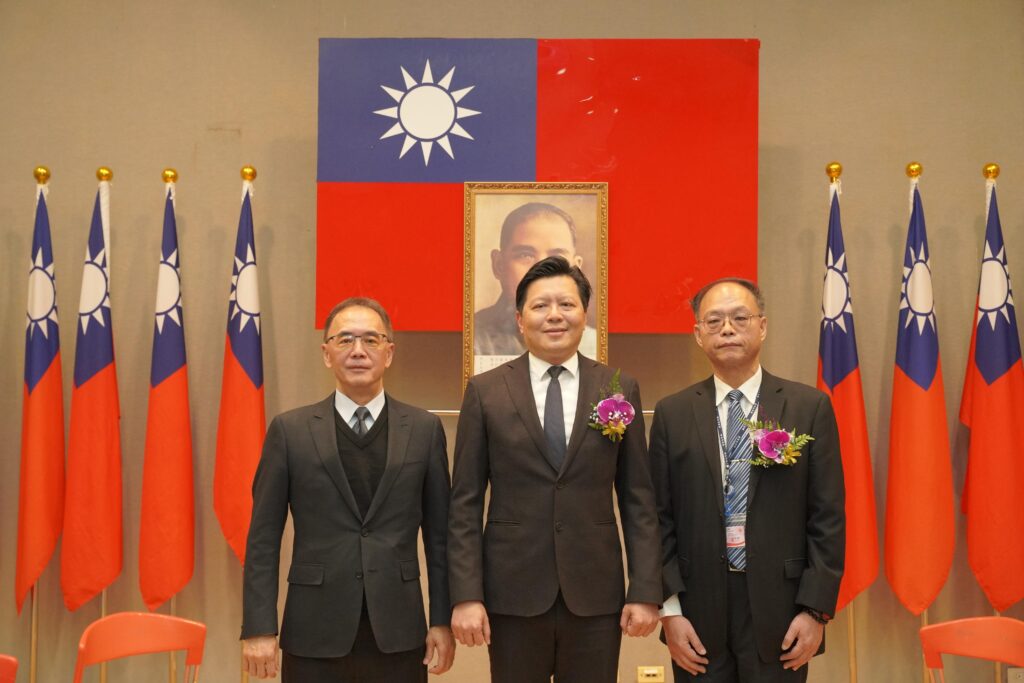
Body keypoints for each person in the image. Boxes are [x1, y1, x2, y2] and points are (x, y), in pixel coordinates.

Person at [449, 256, 662, 683]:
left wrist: (644, 590)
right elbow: (465, 504)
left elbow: (638, 499)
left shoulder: (619, 387)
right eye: (540, 305)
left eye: (566, 304)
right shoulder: (486, 391)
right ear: (519, 319)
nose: (554, 315)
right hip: (512, 592)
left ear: (585, 314)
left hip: (595, 592)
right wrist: (467, 595)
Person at [241, 297, 455, 682]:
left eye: (371, 340)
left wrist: (442, 619)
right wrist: (259, 627)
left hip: (399, 630)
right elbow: (262, 539)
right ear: (327, 354)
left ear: (389, 353)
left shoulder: (424, 430)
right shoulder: (290, 431)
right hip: (313, 630)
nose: (358, 351)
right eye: (345, 340)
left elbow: (440, 538)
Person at [650, 278, 845, 683]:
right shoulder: (672, 413)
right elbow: (657, 519)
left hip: (783, 611)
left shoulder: (808, 407)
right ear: (698, 334)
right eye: (714, 321)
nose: (727, 329)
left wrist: (815, 610)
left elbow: (827, 518)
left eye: (740, 318)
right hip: (696, 614)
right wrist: (669, 612)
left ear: (763, 326)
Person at [474, 202, 598, 357]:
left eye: (556, 257)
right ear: (499, 265)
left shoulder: (594, 345)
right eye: (525, 255)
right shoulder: (471, 338)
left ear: (576, 270)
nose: (541, 271)